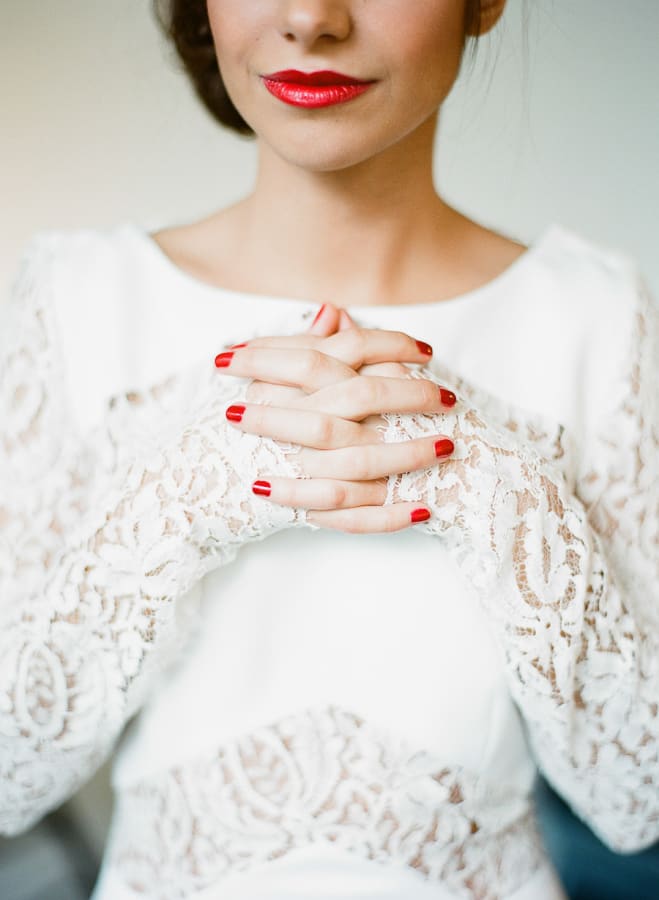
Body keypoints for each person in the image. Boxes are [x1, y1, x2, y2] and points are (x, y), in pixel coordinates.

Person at [0, 1, 657, 898]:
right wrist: (187, 494)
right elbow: (9, 778)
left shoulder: (594, 314)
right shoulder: (80, 297)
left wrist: (492, 485)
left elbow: (635, 802)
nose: (310, 18)